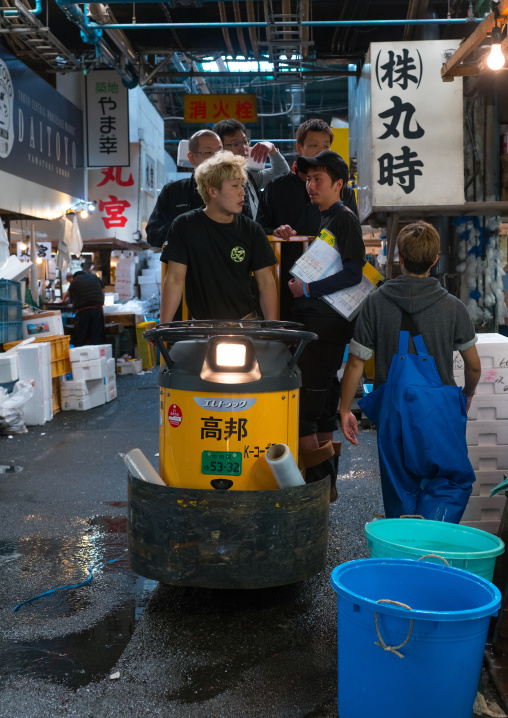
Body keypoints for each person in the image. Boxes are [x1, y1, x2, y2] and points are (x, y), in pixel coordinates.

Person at [339, 220, 481, 523]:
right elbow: (474, 365)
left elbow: (355, 362)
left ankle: (405, 553)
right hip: (440, 411)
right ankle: (433, 544)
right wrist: (467, 394)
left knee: (400, 489)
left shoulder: (375, 303)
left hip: (394, 414)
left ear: (399, 258)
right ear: (435, 259)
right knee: (451, 481)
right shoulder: (454, 307)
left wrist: (344, 409)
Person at [287, 150, 365, 501]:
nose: (310, 185)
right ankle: (324, 489)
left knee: (307, 409)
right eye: (307, 179)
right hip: (321, 327)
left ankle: (314, 493)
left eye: (317, 179)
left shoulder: (343, 218)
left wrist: (307, 288)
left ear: (338, 184)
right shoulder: (324, 219)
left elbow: (353, 272)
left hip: (327, 327)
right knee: (318, 412)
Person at [256, 119, 358, 320]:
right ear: (299, 148)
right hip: (284, 280)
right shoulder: (277, 187)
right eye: (313, 145)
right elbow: (259, 229)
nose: (320, 152)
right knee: (286, 337)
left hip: (331, 284)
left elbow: (353, 235)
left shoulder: (342, 190)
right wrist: (275, 232)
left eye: (325, 147)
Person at [160, 151, 277, 322]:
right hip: (201, 327)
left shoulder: (252, 229)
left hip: (246, 323)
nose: (242, 193)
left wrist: (272, 325)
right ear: (212, 191)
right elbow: (175, 280)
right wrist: (163, 326)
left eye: (242, 185)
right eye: (235, 186)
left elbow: (266, 283)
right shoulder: (184, 225)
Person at [146, 129, 222, 249]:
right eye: (208, 152)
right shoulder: (172, 191)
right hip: (184, 265)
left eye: (220, 152)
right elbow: (153, 235)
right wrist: (185, 225)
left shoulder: (234, 190)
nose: (217, 158)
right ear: (192, 158)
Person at [212, 119, 289, 220]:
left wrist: (272, 150)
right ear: (220, 148)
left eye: (245, 141)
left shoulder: (249, 175)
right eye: (235, 144)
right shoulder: (215, 180)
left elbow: (282, 173)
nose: (243, 147)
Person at [69, 269, 106, 347]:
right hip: (97, 309)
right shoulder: (95, 277)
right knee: (97, 336)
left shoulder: (75, 281)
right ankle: (97, 355)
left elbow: (70, 295)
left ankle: (82, 356)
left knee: (81, 336)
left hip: (83, 312)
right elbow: (103, 292)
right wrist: (101, 304)